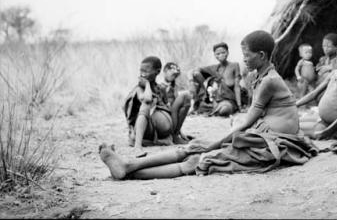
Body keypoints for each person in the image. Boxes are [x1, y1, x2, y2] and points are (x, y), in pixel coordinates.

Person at [100, 30, 317, 180]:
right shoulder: (261, 76)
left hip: (273, 145)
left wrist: (214, 145)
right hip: (263, 137)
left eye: (246, 55)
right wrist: (215, 141)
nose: (244, 59)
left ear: (261, 55)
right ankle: (129, 166)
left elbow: (247, 122)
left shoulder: (269, 80)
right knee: (196, 147)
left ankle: (128, 171)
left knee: (200, 158)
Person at [122, 57, 191, 157]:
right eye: (141, 71)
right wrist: (147, 85)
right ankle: (138, 146)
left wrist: (180, 131)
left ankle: (175, 136)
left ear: (157, 72)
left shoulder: (160, 88)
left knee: (186, 96)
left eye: (146, 71)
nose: (142, 74)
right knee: (146, 105)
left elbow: (169, 108)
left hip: (166, 130)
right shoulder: (139, 89)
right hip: (149, 130)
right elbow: (147, 99)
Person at [191, 42, 242, 116]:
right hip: (215, 100)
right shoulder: (213, 68)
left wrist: (239, 105)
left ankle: (215, 110)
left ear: (227, 52)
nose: (221, 55)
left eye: (223, 52)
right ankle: (212, 108)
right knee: (203, 105)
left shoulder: (234, 65)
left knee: (225, 110)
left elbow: (237, 87)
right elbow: (195, 70)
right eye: (217, 54)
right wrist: (203, 85)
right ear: (215, 55)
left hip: (228, 100)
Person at [157, 62, 193, 143]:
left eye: (175, 76)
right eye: (172, 74)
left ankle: (176, 134)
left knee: (184, 103)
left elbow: (176, 104)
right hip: (164, 113)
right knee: (185, 95)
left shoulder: (174, 86)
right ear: (165, 71)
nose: (174, 77)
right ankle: (174, 136)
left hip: (173, 112)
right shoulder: (159, 85)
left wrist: (181, 132)